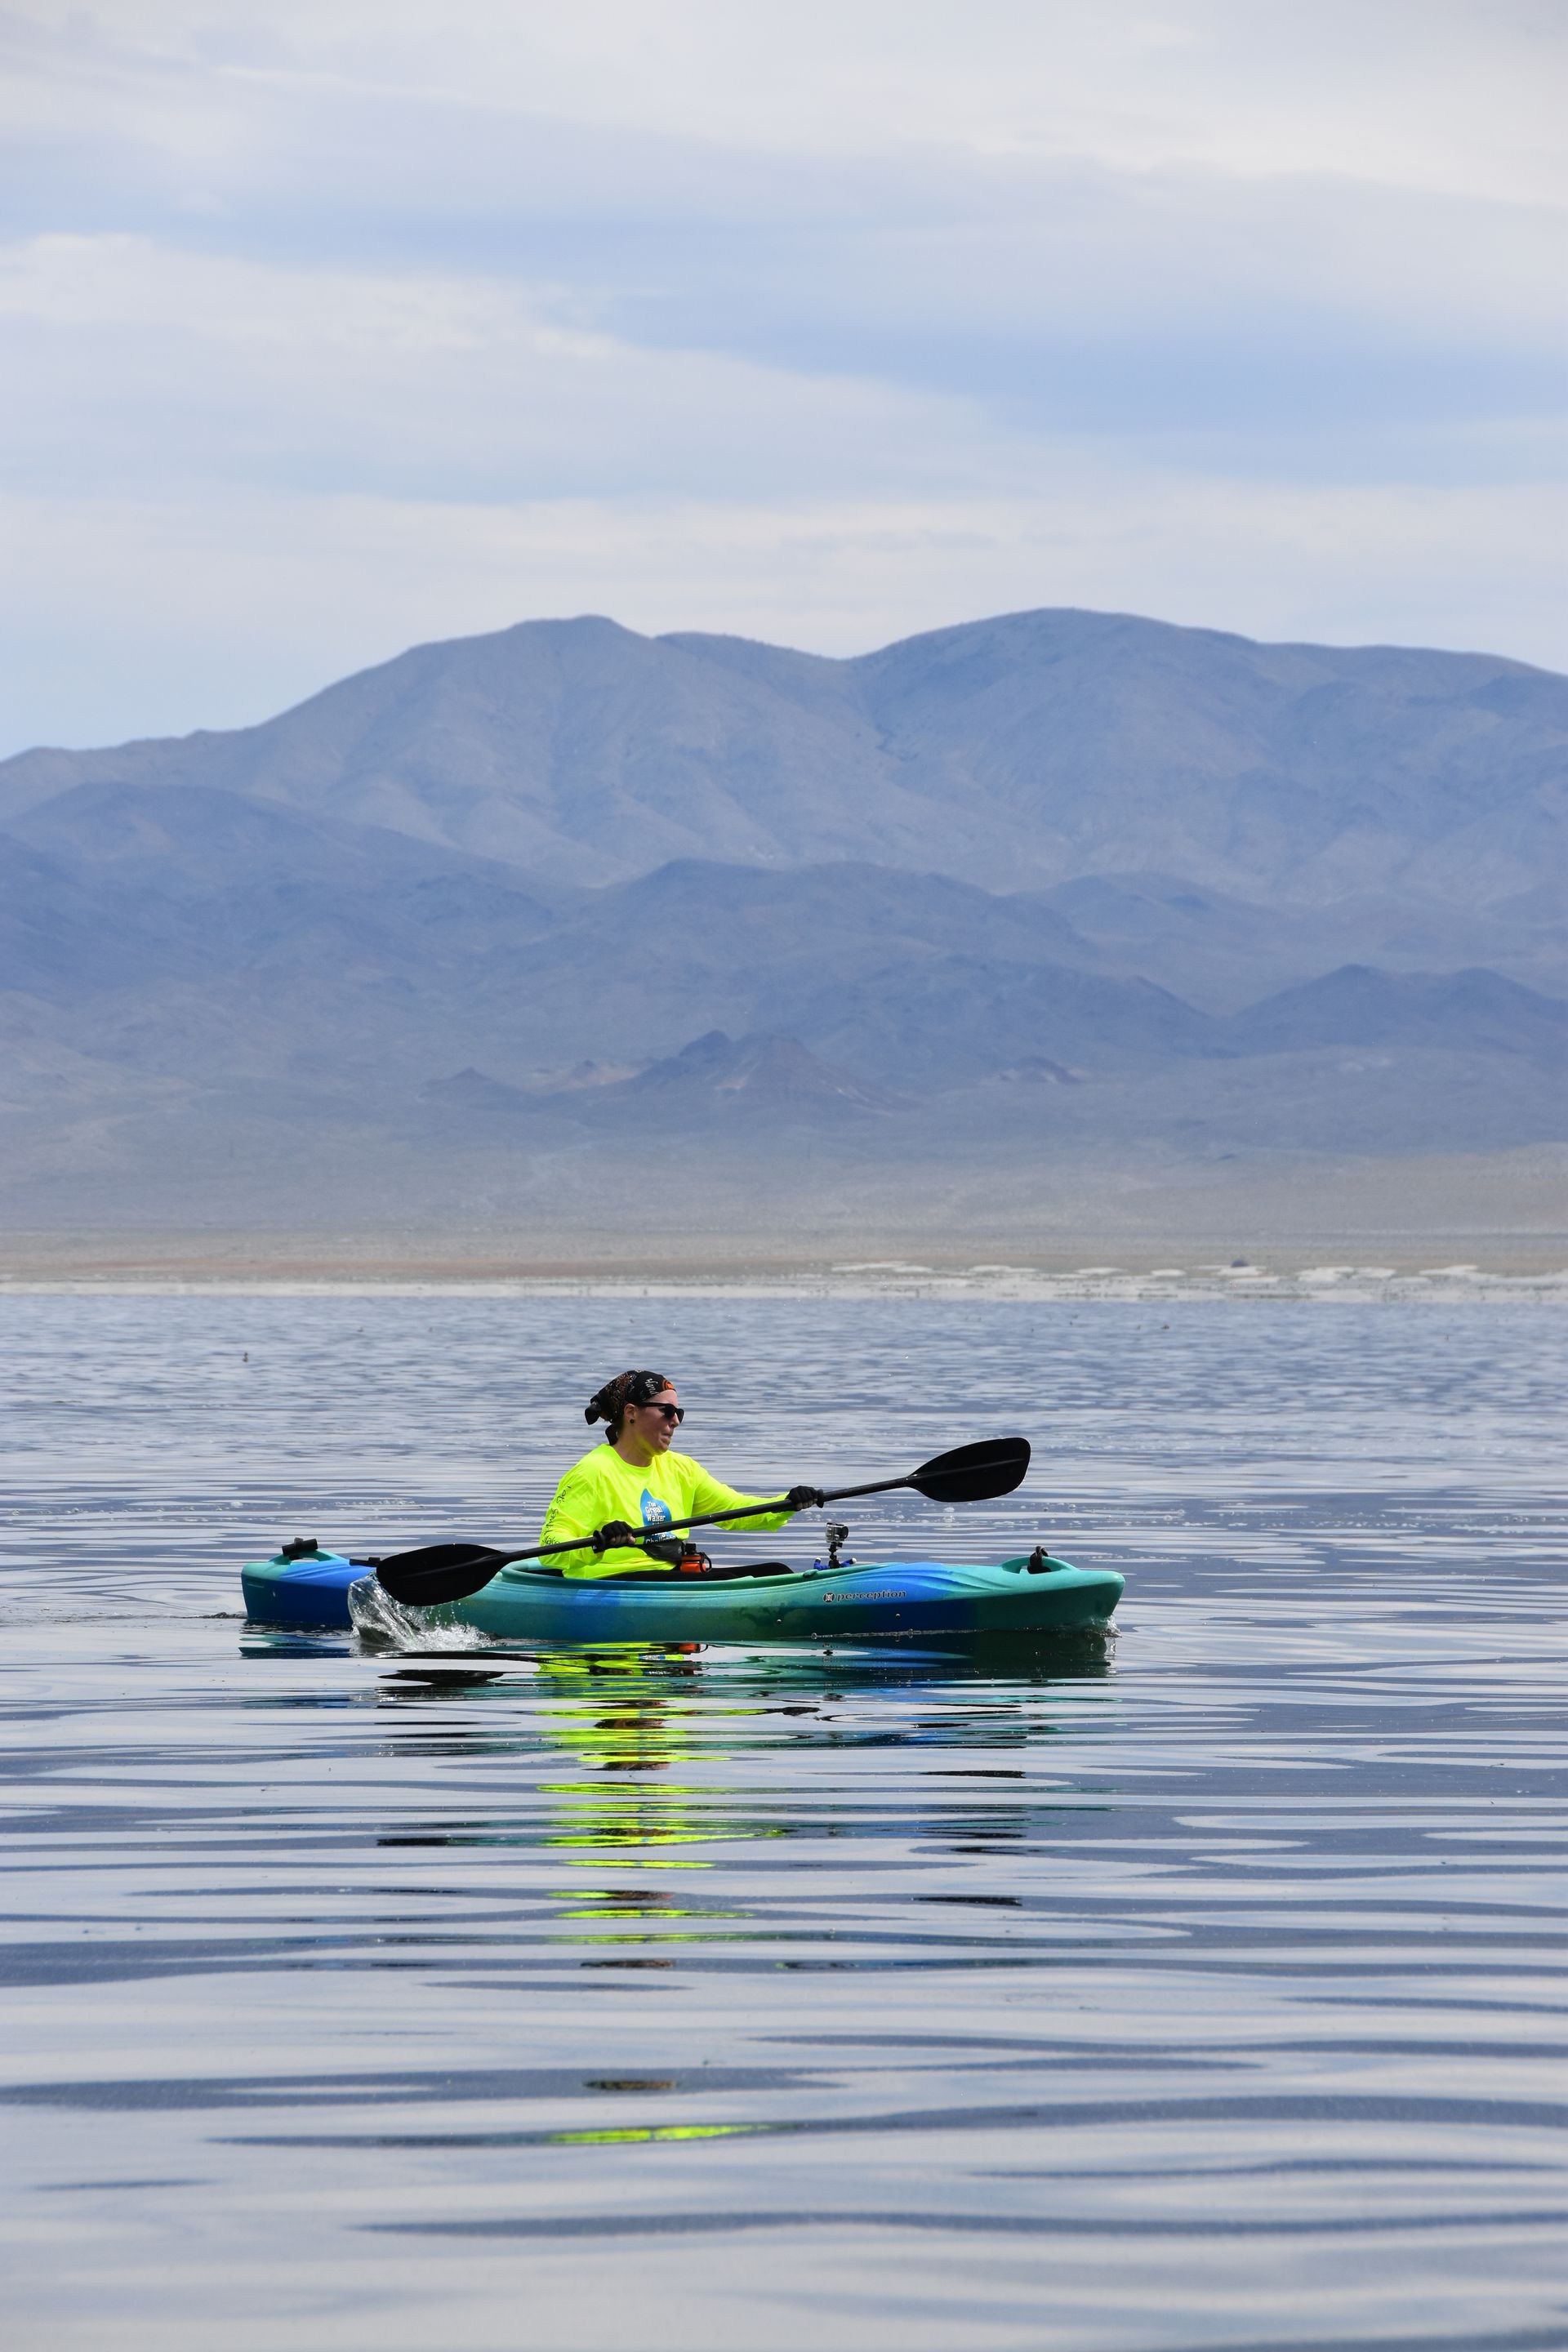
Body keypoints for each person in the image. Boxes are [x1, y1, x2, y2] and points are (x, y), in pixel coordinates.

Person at [539, 1369, 822, 1579]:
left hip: (670, 1577)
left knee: (775, 1572)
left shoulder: (681, 1469)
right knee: (772, 1575)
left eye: (679, 1413)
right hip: (613, 1583)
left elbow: (737, 1511)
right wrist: (598, 1541)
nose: (675, 1421)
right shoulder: (592, 1472)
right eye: (666, 1411)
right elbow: (551, 1547)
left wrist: (788, 1502)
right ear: (631, 1412)